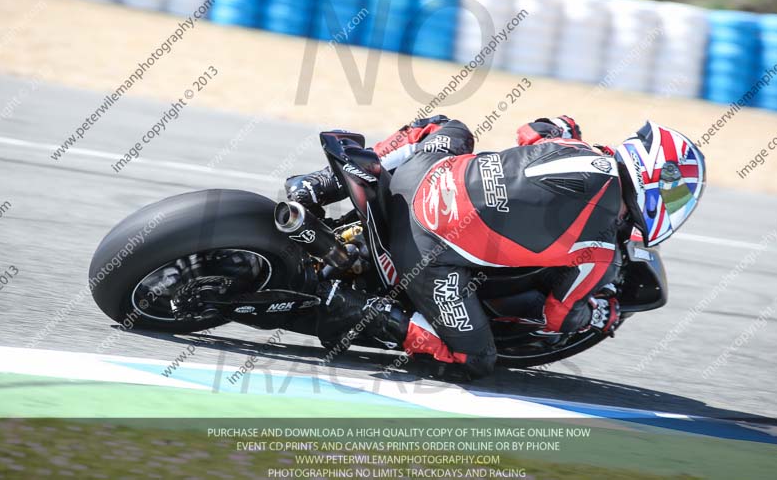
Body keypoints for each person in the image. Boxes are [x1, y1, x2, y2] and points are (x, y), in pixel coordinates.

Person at [285, 115, 706, 379]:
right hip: (425, 249)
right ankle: (347, 304)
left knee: (447, 127)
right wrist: (600, 312)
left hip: (421, 174)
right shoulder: (598, 251)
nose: (674, 206)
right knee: (475, 361)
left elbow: (532, 130)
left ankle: (322, 182)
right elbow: (557, 317)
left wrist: (562, 127)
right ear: (654, 180)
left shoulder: (574, 146)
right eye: (676, 197)